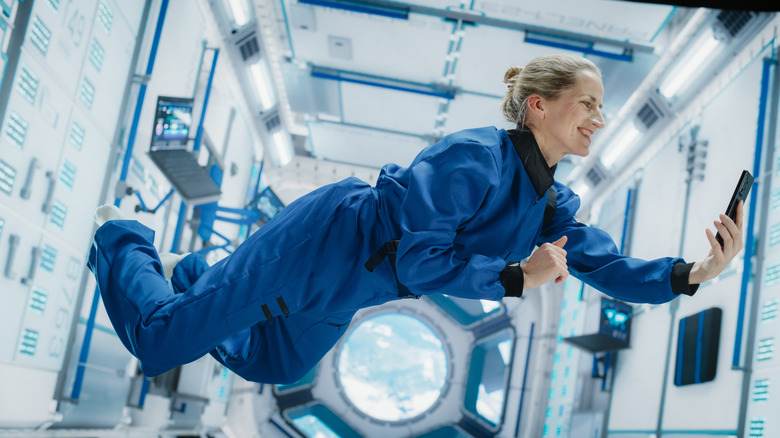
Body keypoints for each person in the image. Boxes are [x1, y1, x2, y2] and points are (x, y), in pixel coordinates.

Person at [88, 54, 744, 384]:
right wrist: (517, 278)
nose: (601, 119)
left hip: (360, 288)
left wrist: (697, 271)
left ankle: (205, 273)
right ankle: (121, 235)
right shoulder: (474, 157)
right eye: (590, 104)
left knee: (281, 362)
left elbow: (604, 264)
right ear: (539, 106)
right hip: (325, 246)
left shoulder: (550, 204)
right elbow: (417, 259)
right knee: (160, 343)